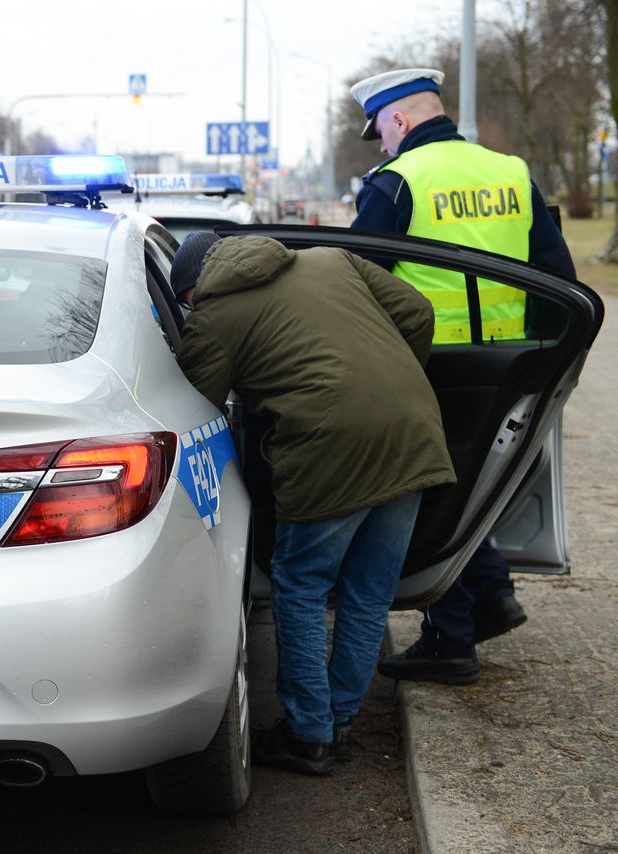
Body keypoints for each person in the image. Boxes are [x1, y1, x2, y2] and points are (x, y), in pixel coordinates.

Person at [173, 232, 455, 775]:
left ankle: (308, 734)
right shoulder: (332, 259)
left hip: (329, 447)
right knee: (369, 591)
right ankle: (338, 721)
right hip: (413, 431)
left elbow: (194, 406)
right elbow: (417, 314)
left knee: (301, 585)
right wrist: (386, 381)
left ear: (192, 290)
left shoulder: (212, 313)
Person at [349, 68, 576, 685]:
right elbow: (558, 273)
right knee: (470, 486)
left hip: (423, 367)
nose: (384, 144)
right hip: (507, 364)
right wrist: (551, 364)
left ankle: (452, 638)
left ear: (396, 119)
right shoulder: (509, 171)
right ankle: (491, 595)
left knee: (417, 499)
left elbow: (354, 278)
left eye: (382, 132)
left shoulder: (396, 182)